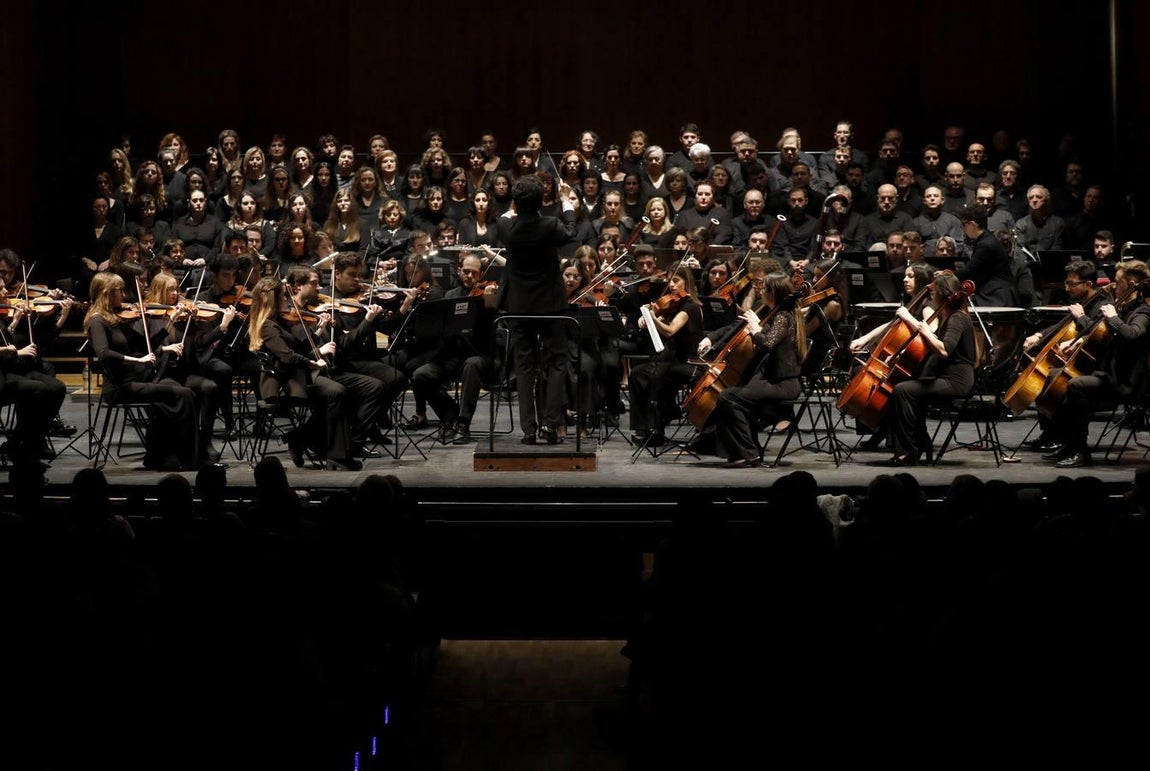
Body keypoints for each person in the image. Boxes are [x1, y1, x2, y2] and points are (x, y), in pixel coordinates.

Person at [246, 272, 366, 471]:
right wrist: (313, 363)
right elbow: (287, 356)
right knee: (337, 393)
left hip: (297, 378)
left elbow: (299, 348)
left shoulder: (281, 321)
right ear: (272, 300)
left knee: (341, 394)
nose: (287, 299)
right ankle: (335, 455)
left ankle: (308, 442)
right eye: (283, 296)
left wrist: (317, 332)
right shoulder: (268, 326)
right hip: (284, 384)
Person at [84, 271, 199, 470]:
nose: (124, 296)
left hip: (136, 380)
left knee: (182, 395)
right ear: (106, 293)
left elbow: (147, 345)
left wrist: (170, 322)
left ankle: (165, 455)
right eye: (119, 291)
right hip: (121, 387)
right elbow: (104, 354)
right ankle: (186, 458)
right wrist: (137, 359)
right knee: (183, 394)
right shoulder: (97, 320)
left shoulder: (116, 318)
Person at [493, 175, 578, 444]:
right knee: (556, 363)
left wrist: (517, 206)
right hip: (550, 306)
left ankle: (529, 430)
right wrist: (565, 200)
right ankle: (550, 425)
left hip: (519, 307)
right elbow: (571, 231)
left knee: (524, 366)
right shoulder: (550, 225)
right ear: (541, 200)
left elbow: (508, 215)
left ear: (516, 203)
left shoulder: (506, 226)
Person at [1045, 260, 1150, 468]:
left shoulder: (1142, 312)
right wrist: (1077, 337)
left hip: (1124, 382)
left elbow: (1133, 334)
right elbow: (1098, 334)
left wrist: (1113, 319)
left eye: (1117, 281)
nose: (1112, 285)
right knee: (1062, 381)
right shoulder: (1121, 308)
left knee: (1076, 386)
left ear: (1130, 284)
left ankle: (1081, 452)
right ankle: (1071, 444)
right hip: (1108, 374)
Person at [707, 270, 807, 467]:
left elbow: (767, 343)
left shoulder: (783, 316)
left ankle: (748, 452)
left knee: (728, 397)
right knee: (737, 394)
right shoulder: (781, 314)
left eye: (765, 289)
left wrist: (755, 329)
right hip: (777, 381)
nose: (761, 292)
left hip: (783, 384)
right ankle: (747, 451)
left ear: (773, 292)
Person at [884, 271, 979, 466]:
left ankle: (909, 450)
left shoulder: (957, 318)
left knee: (903, 391)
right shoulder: (950, 316)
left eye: (935, 294)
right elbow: (931, 347)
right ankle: (919, 443)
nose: (931, 297)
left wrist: (924, 329)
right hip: (946, 377)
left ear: (945, 295)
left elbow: (944, 350)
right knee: (905, 388)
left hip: (956, 380)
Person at [628, 265, 704, 447]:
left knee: (653, 375)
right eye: (670, 280)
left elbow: (670, 331)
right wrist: (648, 317)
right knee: (637, 373)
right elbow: (663, 322)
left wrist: (652, 318)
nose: (672, 285)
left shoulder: (689, 307)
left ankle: (657, 425)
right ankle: (645, 427)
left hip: (688, 362)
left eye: (676, 280)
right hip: (672, 360)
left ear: (687, 282)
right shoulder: (673, 306)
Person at [956, 208, 1016, 307]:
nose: (963, 229)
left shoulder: (986, 244)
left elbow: (968, 271)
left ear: (972, 224)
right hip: (995, 293)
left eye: (963, 225)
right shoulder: (986, 240)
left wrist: (946, 275)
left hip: (997, 297)